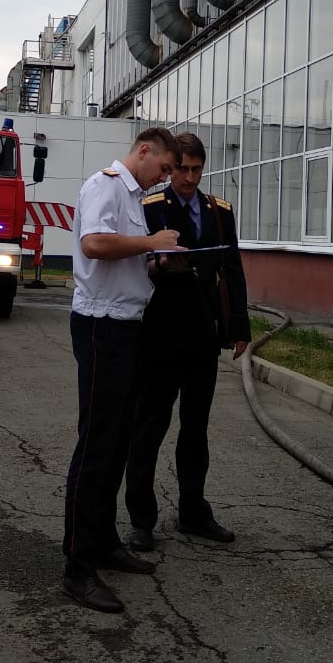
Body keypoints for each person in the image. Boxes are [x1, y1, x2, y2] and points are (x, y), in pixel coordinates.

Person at [61, 126, 182, 614]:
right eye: (165, 167)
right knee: (96, 445)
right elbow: (94, 244)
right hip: (101, 326)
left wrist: (156, 262)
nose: (165, 178)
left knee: (116, 443)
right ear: (144, 150)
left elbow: (123, 258)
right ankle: (77, 568)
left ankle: (104, 541)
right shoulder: (105, 185)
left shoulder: (133, 196)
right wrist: (151, 240)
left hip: (127, 325)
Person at [125, 132, 250, 554]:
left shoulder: (219, 212)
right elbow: (134, 265)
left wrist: (239, 327)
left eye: (197, 170)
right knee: (149, 426)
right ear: (172, 166)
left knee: (196, 428)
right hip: (159, 333)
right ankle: (141, 520)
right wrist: (159, 265)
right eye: (182, 169)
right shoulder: (150, 208)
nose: (190, 178)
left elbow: (233, 269)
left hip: (202, 335)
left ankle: (193, 511)